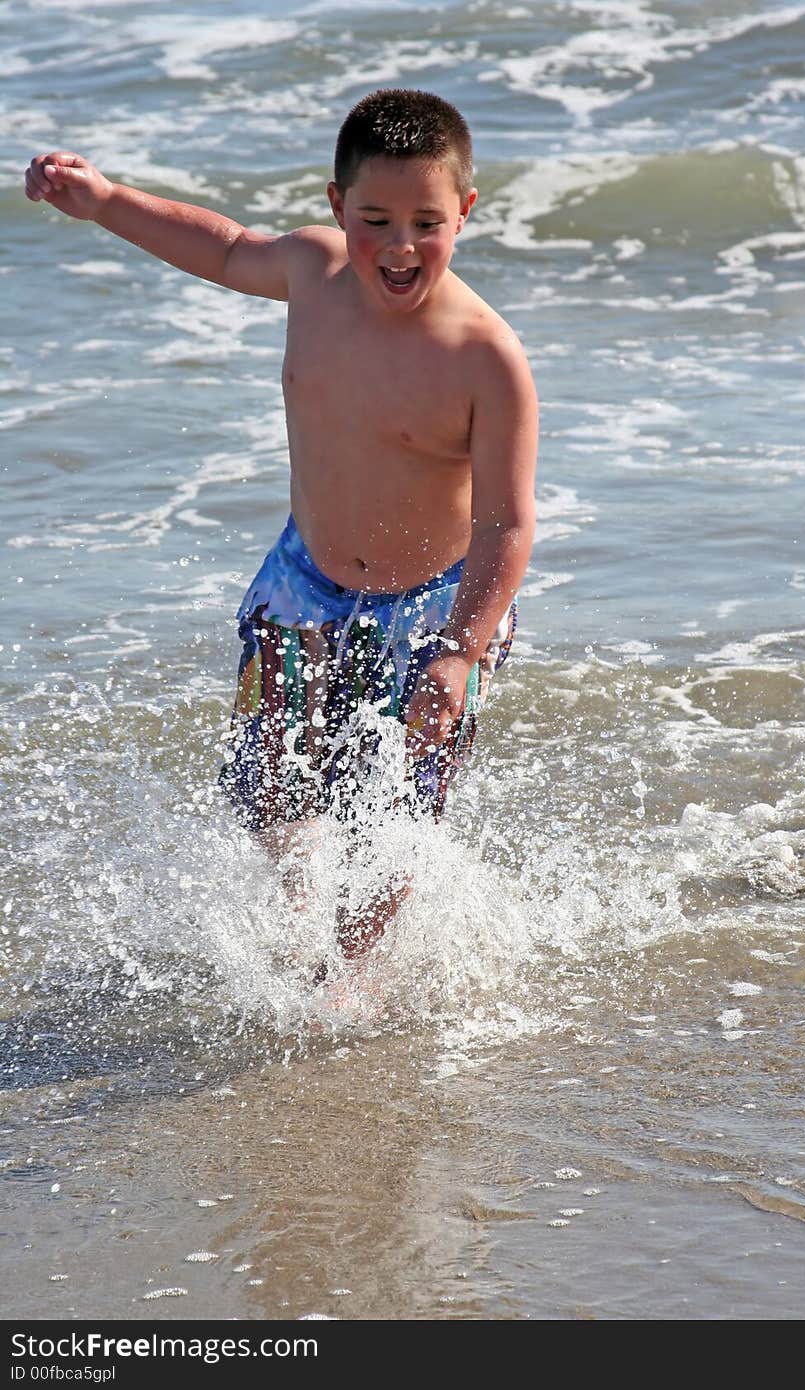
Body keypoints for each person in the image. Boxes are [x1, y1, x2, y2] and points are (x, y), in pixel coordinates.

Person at [24, 88, 538, 964]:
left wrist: (460, 650)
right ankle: (301, 936)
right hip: (305, 583)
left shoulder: (487, 359)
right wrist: (106, 201)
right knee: (275, 790)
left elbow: (507, 524)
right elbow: (222, 246)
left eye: (427, 221)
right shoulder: (312, 271)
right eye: (375, 219)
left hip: (434, 610)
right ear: (337, 210)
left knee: (397, 813)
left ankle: (356, 979)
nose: (402, 245)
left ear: (465, 213)